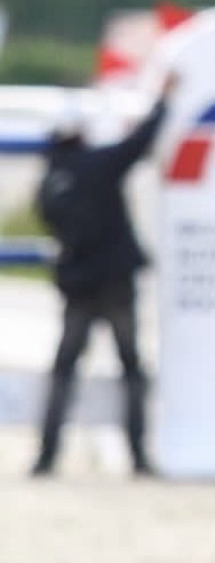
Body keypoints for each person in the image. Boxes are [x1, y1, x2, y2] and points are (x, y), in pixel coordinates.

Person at [30, 74, 178, 477]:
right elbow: (138, 143)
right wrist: (164, 101)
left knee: (64, 371)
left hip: (78, 286)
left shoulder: (49, 182)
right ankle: (138, 456)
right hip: (115, 282)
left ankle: (47, 456)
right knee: (131, 368)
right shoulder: (99, 164)